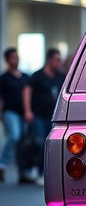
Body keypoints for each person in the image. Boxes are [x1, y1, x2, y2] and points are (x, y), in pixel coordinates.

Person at [23, 48, 65, 183]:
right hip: (38, 115)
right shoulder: (37, 76)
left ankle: (46, 173)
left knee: (51, 145)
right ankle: (37, 169)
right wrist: (27, 110)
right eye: (57, 60)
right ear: (50, 60)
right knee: (40, 142)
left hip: (54, 117)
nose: (59, 62)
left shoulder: (61, 76)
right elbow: (27, 91)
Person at [0, 48, 30, 183]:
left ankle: (22, 173)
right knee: (15, 135)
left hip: (23, 113)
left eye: (16, 57)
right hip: (9, 112)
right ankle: (2, 164)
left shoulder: (25, 77)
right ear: (7, 60)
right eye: (12, 57)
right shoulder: (3, 78)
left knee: (22, 144)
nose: (15, 60)